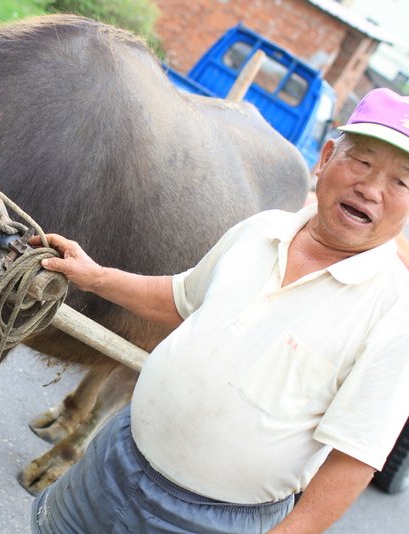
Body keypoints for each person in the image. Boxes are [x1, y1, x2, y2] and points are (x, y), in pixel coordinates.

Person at [29, 87, 409, 534]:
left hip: (212, 522)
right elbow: (181, 298)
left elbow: (354, 457)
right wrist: (94, 276)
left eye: (401, 181)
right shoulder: (260, 229)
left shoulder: (395, 314)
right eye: (360, 162)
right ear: (325, 158)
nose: (370, 188)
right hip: (116, 458)